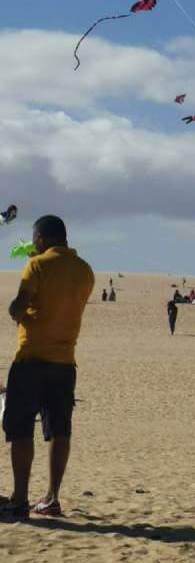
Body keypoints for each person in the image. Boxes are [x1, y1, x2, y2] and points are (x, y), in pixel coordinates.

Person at [1, 215, 95, 520]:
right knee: (59, 431)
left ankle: (19, 499)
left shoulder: (37, 265)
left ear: (41, 238)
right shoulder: (85, 271)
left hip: (31, 359)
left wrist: (22, 312)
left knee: (20, 428)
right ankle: (52, 498)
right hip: (65, 361)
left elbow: (18, 308)